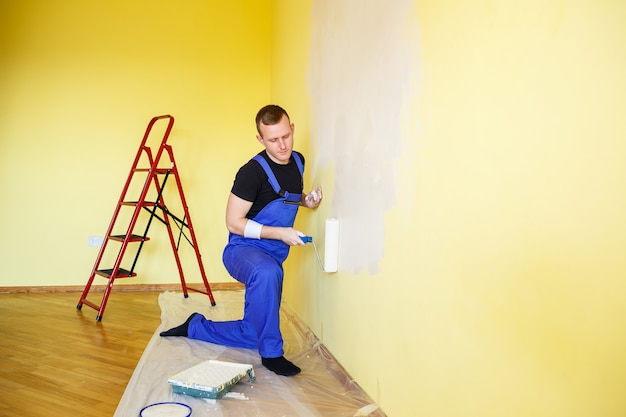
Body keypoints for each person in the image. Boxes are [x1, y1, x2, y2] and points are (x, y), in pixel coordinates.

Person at [160, 104, 322, 377]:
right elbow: (234, 222)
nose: (282, 145)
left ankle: (195, 327)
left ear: (292, 128)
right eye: (273, 140)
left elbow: (289, 197)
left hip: (273, 252)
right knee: (268, 272)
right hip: (243, 251)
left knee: (252, 332)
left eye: (286, 136)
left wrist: (307, 201)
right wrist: (281, 233)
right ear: (260, 139)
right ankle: (272, 354)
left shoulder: (298, 161)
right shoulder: (251, 173)